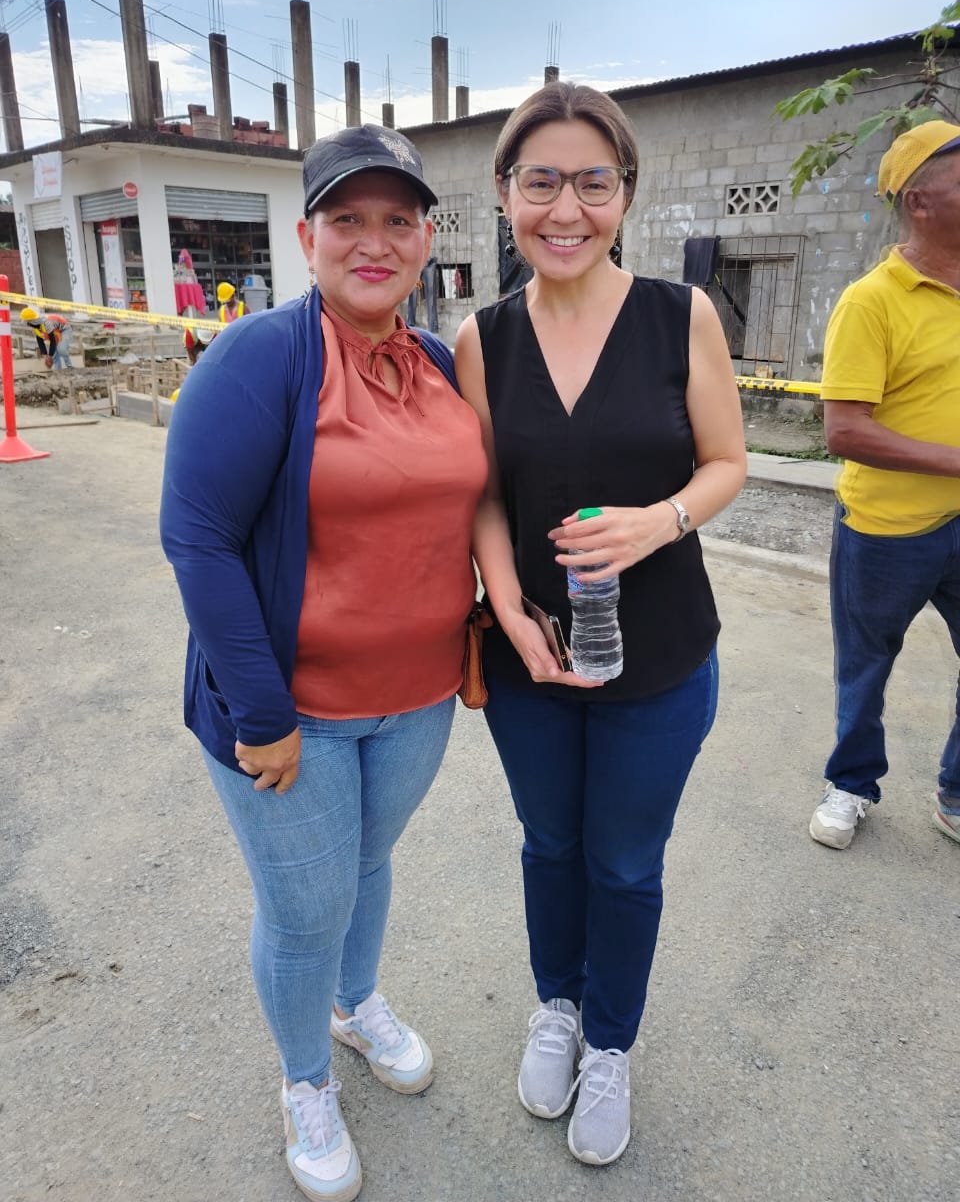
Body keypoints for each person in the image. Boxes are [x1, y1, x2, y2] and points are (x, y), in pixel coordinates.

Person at [159, 123, 486, 1202]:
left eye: (398, 218)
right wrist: (260, 715)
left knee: (367, 866)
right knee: (304, 908)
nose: (374, 240)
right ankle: (305, 1079)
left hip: (418, 701)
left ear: (427, 238)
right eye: (348, 218)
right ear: (308, 237)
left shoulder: (440, 361)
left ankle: (354, 1003)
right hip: (291, 712)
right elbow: (198, 538)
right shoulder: (262, 356)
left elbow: (473, 509)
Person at [454, 82, 746, 1167]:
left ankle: (611, 1040)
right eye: (541, 182)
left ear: (625, 193)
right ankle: (558, 1005)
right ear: (505, 193)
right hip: (528, 656)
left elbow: (727, 462)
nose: (565, 209)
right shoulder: (482, 337)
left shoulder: (682, 316)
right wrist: (506, 609)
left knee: (624, 862)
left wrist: (658, 521)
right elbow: (485, 495)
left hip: (659, 656)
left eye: (592, 181)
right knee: (551, 843)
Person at [809, 119, 960, 851]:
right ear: (921, 203)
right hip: (886, 530)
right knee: (866, 667)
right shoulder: (871, 301)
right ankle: (851, 784)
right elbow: (844, 431)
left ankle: (956, 793)